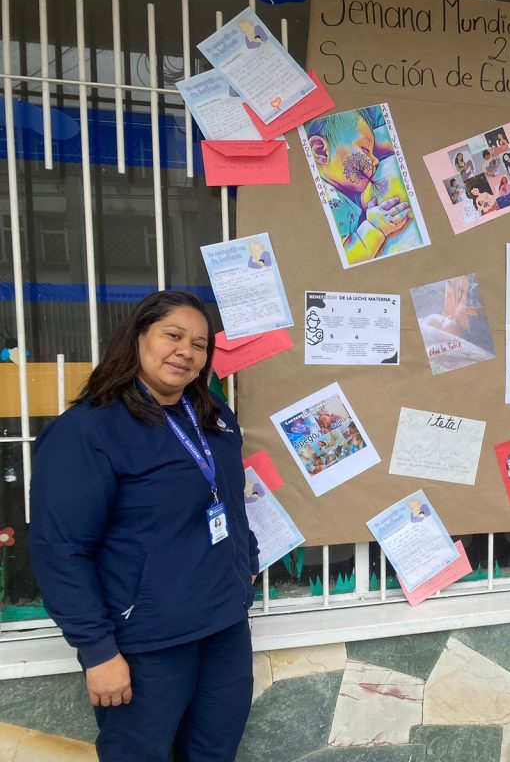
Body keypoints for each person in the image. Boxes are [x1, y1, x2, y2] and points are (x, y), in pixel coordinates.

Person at [30, 291, 259, 761]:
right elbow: (60, 549)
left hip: (223, 627)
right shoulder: (88, 430)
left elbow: (230, 502)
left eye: (199, 344)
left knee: (214, 753)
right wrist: (97, 651)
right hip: (146, 643)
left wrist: (247, 559)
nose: (186, 352)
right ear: (138, 338)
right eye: (173, 336)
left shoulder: (213, 418)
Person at [306, 109, 413, 265]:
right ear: (321, 151)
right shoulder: (333, 203)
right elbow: (344, 256)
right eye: (365, 150)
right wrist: (375, 227)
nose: (375, 160)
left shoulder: (340, 191)